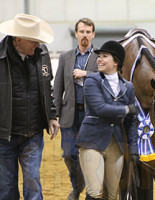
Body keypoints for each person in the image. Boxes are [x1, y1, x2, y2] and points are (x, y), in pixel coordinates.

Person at [0, 13, 60, 200]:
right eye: (34, 41)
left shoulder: (42, 55)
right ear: (18, 38)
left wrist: (51, 115)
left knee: (33, 183)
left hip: (33, 134)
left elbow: (46, 87)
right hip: (3, 137)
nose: (38, 45)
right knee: (6, 187)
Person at [76, 40, 139, 200]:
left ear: (116, 62)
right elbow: (100, 108)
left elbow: (132, 121)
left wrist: (133, 147)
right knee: (95, 192)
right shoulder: (92, 81)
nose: (99, 59)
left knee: (111, 195)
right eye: (99, 56)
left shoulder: (128, 86)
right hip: (92, 141)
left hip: (116, 144)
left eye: (105, 56)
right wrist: (126, 109)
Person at [53, 18, 98, 200]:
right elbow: (57, 88)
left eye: (88, 32)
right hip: (69, 115)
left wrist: (86, 73)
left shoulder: (100, 57)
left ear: (93, 34)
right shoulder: (65, 57)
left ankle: (89, 190)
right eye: (82, 31)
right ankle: (77, 185)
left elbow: (108, 77)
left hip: (91, 117)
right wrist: (54, 115)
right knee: (69, 155)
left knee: (89, 156)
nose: (85, 35)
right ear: (76, 34)